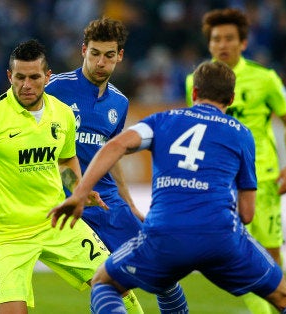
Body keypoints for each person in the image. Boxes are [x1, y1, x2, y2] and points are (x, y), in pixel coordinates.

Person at [49, 60, 286, 314]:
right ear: (231, 100)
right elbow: (247, 214)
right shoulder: (242, 133)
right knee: (285, 297)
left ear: (194, 92)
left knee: (104, 283)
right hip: (220, 236)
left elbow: (116, 145)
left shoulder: (163, 120)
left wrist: (80, 192)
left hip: (166, 233)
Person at [0, 39, 122, 314]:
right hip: (8, 235)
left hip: (57, 223)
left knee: (118, 288)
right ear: (10, 76)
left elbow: (66, 160)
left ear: (47, 76)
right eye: (19, 77)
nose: (26, 85)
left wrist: (78, 189)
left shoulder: (63, 114)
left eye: (34, 77)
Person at [45, 17, 184, 313]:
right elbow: (8, 115)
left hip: (107, 203)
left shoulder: (119, 102)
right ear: (83, 50)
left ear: (119, 56)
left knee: (164, 273)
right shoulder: (55, 88)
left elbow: (112, 154)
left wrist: (128, 202)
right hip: (63, 199)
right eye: (94, 53)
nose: (100, 62)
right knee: (105, 283)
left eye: (109, 55)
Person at [185, 8, 286, 314]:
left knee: (271, 255)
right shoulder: (193, 81)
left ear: (243, 43)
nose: (222, 44)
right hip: (220, 181)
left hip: (262, 178)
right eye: (216, 39)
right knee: (232, 254)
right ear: (209, 44)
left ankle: (274, 306)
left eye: (229, 38)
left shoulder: (266, 79)